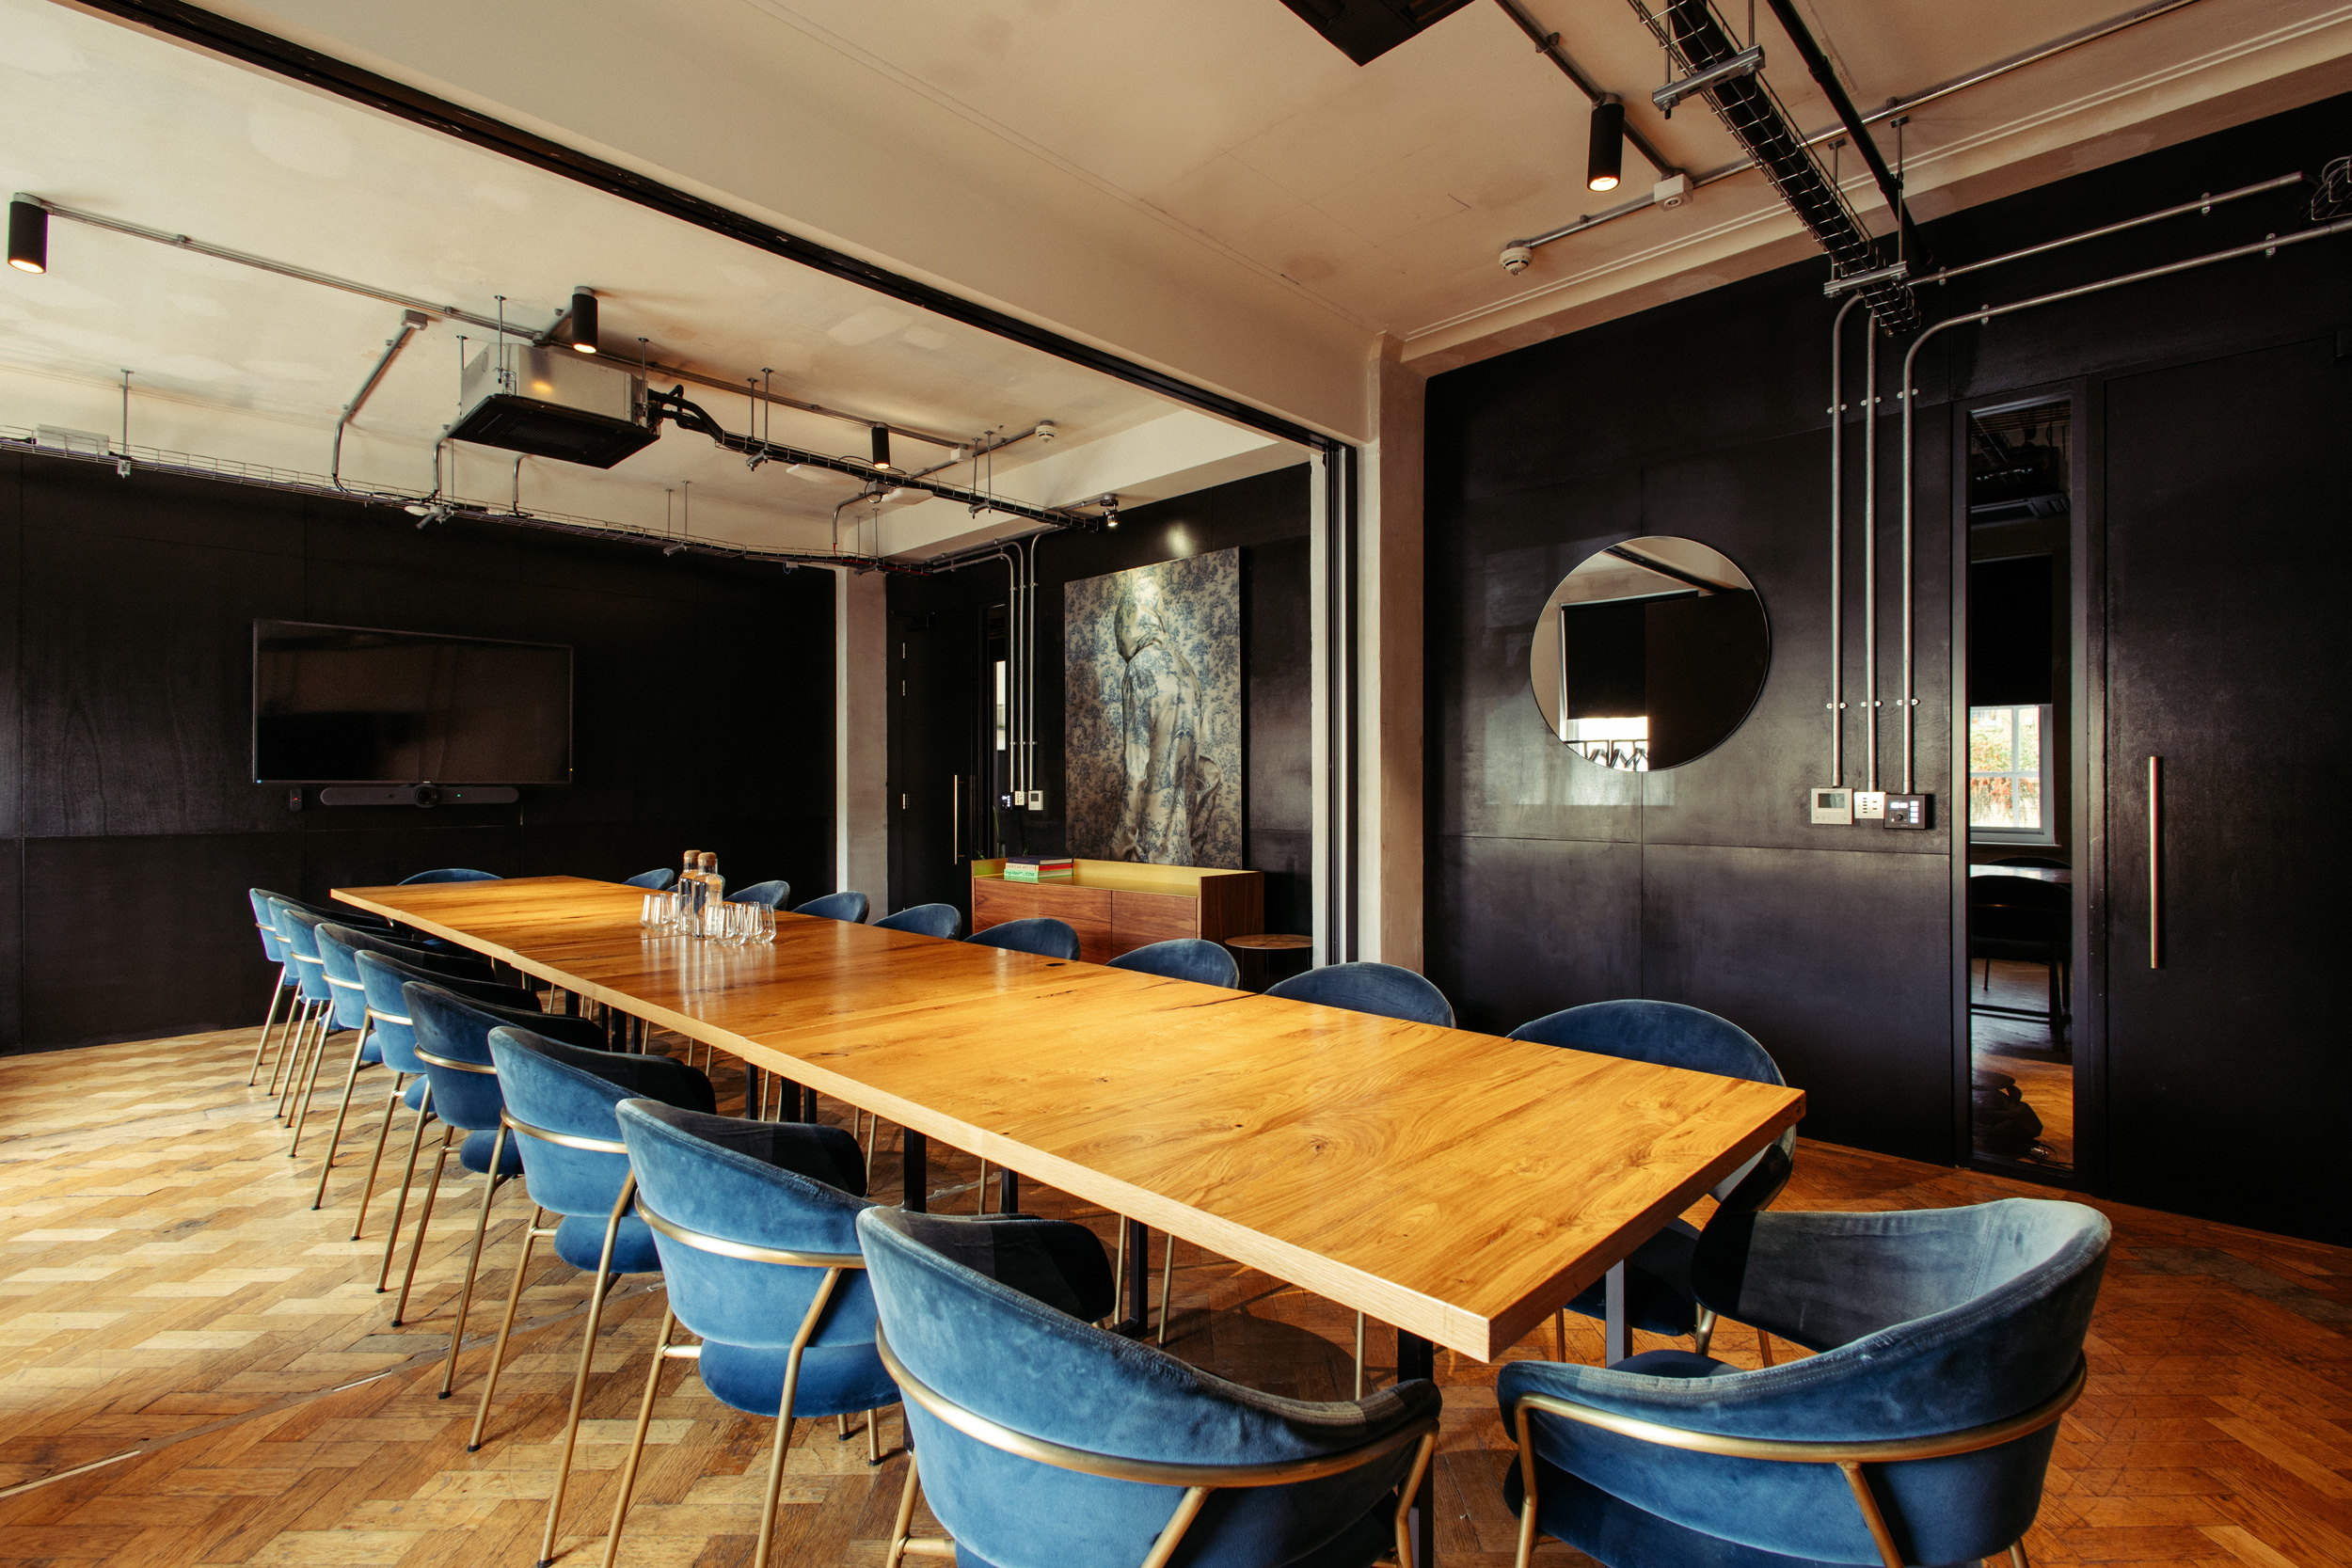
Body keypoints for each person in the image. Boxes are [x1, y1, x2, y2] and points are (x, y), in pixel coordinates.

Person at [1107, 578, 1222, 863]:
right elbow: (1210, 775)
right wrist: (1191, 848)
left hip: (1145, 854)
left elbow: (1136, 770)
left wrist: (1120, 849)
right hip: (1180, 856)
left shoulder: (1139, 669)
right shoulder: (1187, 671)